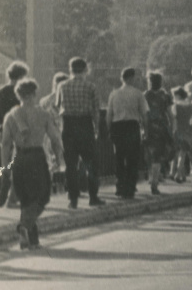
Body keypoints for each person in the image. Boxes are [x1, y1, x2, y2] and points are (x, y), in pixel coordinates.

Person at [0, 78, 64, 250]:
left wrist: (5, 166)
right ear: (34, 94)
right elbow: (55, 139)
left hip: (19, 158)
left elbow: (5, 144)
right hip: (37, 156)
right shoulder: (43, 114)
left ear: (18, 95)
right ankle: (24, 228)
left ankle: (30, 240)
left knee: (27, 199)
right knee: (42, 197)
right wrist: (59, 159)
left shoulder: (10, 116)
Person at [55, 57, 105, 209]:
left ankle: (73, 199)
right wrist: (96, 128)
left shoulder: (62, 86)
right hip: (85, 124)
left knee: (71, 164)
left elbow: (58, 106)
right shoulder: (91, 87)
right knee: (91, 163)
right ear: (85, 70)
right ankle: (93, 197)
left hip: (68, 125)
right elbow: (96, 110)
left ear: (70, 70)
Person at [107, 67, 149, 200]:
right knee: (132, 158)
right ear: (132, 78)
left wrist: (110, 130)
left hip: (117, 126)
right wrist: (145, 130)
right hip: (132, 126)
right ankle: (130, 188)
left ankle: (120, 186)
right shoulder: (138, 94)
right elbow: (144, 114)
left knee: (119, 157)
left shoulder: (114, 94)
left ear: (122, 78)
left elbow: (109, 115)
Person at [0, 60, 29, 208]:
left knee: (5, 162)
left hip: (2, 130)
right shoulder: (22, 93)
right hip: (18, 132)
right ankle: (12, 196)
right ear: (21, 76)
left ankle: (3, 187)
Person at [143, 72, 174, 195]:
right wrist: (172, 128)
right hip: (161, 127)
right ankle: (155, 182)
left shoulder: (145, 95)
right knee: (158, 156)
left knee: (149, 154)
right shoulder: (165, 96)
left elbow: (143, 114)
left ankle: (151, 177)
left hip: (148, 127)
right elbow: (170, 114)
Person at [170, 87, 192, 182]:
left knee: (177, 152)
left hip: (177, 130)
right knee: (183, 153)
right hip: (188, 130)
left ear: (178, 96)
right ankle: (181, 174)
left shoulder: (175, 106)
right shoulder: (190, 105)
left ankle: (177, 173)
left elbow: (174, 119)